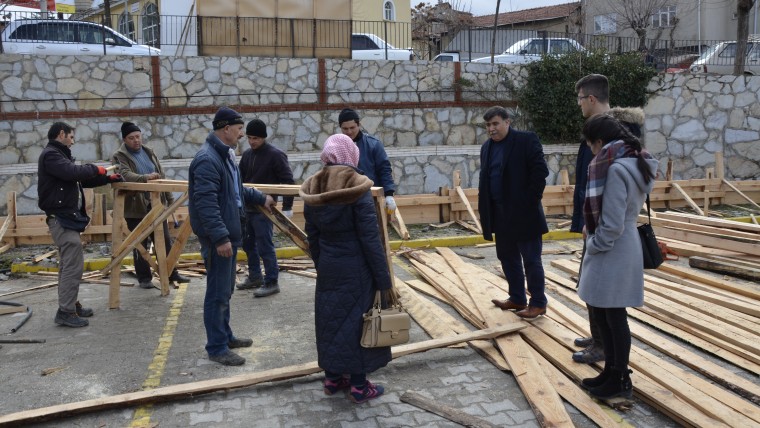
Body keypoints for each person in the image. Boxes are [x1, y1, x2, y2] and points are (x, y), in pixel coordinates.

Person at [299, 133, 392, 404]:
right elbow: (370, 240)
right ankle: (360, 386)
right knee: (357, 324)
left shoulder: (313, 188)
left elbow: (312, 237)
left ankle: (332, 378)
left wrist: (322, 263)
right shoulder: (357, 188)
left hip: (329, 266)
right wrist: (383, 279)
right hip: (357, 269)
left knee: (330, 321)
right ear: (351, 154)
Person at [577, 114, 658, 400]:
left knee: (613, 315)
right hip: (622, 246)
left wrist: (594, 242)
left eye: (590, 143)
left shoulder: (615, 169)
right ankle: (611, 372)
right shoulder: (633, 162)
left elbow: (611, 223)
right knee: (605, 313)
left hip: (612, 249)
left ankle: (620, 378)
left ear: (599, 141)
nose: (590, 150)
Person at [188, 107, 275, 366]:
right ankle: (216, 347)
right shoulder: (207, 159)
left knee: (225, 290)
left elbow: (236, 192)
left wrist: (260, 197)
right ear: (226, 129)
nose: (241, 135)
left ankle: (225, 336)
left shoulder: (224, 155)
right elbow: (206, 204)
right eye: (239, 130)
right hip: (220, 239)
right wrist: (220, 238)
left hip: (227, 235)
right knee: (217, 293)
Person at [572, 74, 645, 363]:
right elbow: (585, 182)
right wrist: (582, 223)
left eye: (579, 99)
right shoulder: (602, 132)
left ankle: (606, 351)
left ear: (591, 98)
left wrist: (596, 236)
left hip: (607, 232)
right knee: (593, 290)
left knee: (607, 300)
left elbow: (612, 194)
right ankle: (599, 337)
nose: (578, 105)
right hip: (597, 226)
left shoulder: (618, 135)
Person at [38, 122, 123, 327]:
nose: (73, 141)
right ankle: (65, 311)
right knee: (72, 265)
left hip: (66, 216)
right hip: (61, 218)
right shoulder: (51, 155)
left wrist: (106, 178)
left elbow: (78, 180)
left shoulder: (60, 156)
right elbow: (72, 173)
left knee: (69, 264)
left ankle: (70, 305)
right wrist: (96, 168)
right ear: (61, 134)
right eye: (71, 137)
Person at [479, 106, 550, 320]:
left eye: (495, 124)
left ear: (507, 122)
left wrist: (529, 202)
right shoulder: (486, 148)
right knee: (507, 258)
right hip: (499, 214)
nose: (491, 129)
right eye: (488, 125)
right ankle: (517, 298)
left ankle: (538, 303)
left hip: (524, 213)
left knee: (531, 259)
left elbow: (540, 172)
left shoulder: (526, 140)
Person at [111, 122, 191, 289]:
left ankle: (171, 272)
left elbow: (161, 176)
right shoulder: (120, 156)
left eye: (138, 136)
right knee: (140, 243)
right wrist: (146, 178)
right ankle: (144, 278)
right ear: (124, 139)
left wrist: (169, 200)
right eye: (131, 138)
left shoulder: (149, 152)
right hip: (135, 207)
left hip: (156, 204)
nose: (136, 141)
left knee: (165, 240)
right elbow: (124, 175)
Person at [236, 119, 295, 298]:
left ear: (263, 138)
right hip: (248, 208)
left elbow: (288, 181)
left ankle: (271, 281)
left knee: (265, 246)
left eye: (256, 138)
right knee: (248, 245)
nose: (252, 141)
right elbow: (238, 182)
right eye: (249, 138)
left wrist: (287, 207)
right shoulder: (247, 155)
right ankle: (255, 276)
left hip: (264, 210)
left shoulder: (275, 155)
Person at [338, 108, 397, 215]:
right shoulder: (335, 147)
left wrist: (389, 194)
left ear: (359, 125)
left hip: (370, 198)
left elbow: (384, 169)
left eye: (352, 127)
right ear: (340, 128)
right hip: (345, 199)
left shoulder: (373, 145)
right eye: (345, 129)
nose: (349, 132)